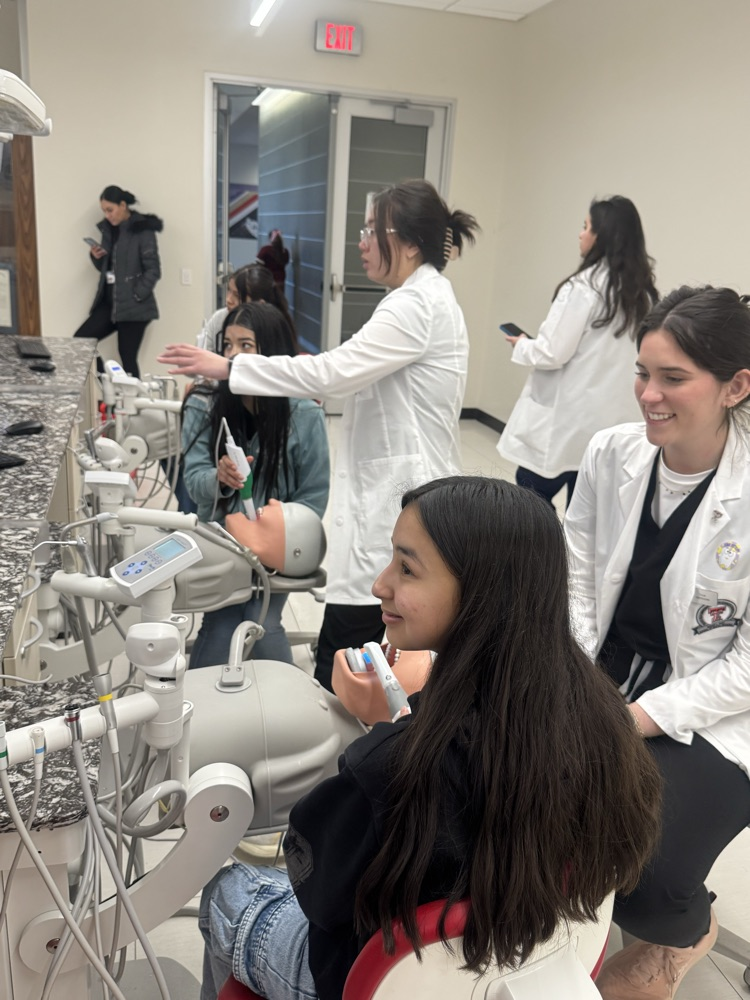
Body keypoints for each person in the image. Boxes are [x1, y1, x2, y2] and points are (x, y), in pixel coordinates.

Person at [198, 475, 662, 1000]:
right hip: (523, 960)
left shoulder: (392, 766)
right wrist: (406, 714)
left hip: (368, 981)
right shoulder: (606, 722)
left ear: (481, 593)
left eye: (407, 568)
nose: (379, 584)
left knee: (228, 889)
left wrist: (384, 732)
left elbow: (321, 895)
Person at [159, 179, 480, 691]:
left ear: (408, 241)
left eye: (372, 230)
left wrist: (230, 367)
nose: (363, 241)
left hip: (404, 493)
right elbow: (341, 368)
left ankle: (351, 739)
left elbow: (333, 375)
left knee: (354, 649)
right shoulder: (422, 298)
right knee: (375, 639)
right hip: (408, 490)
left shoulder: (414, 305)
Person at [564, 286, 750, 998]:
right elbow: (577, 580)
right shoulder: (613, 454)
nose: (648, 394)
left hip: (713, 713)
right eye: (643, 373)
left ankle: (683, 930)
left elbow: (744, 670)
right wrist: (578, 685)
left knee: (644, 859)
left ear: (736, 386)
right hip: (604, 676)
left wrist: (633, 719)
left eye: (673, 378)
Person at [182, 302, 329, 668]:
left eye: (246, 346)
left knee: (261, 621)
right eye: (228, 345)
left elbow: (313, 496)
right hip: (222, 539)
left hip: (279, 546)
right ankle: (202, 716)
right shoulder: (203, 406)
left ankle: (281, 717)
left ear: (274, 353)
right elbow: (193, 480)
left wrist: (275, 531)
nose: (233, 355)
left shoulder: (304, 415)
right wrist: (220, 478)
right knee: (220, 625)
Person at [498, 195, 658, 508]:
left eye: (586, 227)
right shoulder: (643, 294)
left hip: (566, 421)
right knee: (585, 508)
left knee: (531, 499)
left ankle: (538, 558)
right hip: (609, 421)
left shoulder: (583, 288)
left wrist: (522, 345)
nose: (580, 234)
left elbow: (551, 353)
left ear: (603, 237)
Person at [74, 185, 163, 379]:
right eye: (104, 211)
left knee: (128, 359)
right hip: (110, 304)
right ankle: (105, 391)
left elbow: (153, 270)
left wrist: (136, 294)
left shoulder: (142, 230)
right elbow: (106, 269)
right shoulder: (108, 230)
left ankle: (133, 407)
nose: (108, 215)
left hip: (134, 308)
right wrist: (97, 257)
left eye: (110, 210)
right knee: (80, 342)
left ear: (123, 205)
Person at [205, 261, 297, 352]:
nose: (228, 300)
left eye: (237, 296)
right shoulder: (219, 319)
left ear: (260, 304)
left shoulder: (274, 332)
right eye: (229, 290)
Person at [257, 229, 290, 293]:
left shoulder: (265, 250)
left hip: (268, 280)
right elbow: (286, 262)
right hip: (281, 281)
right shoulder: (285, 251)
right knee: (279, 300)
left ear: (270, 238)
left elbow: (258, 264)